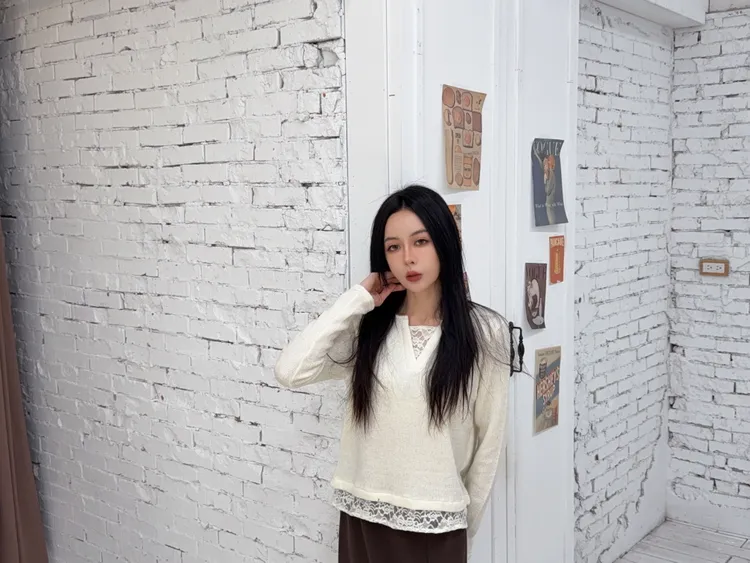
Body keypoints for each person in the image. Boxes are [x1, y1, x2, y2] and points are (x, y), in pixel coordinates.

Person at [274, 185, 511, 563]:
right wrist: (358, 298)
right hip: (361, 517)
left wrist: (463, 534)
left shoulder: (484, 332)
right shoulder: (369, 328)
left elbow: (489, 445)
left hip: (437, 528)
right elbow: (290, 370)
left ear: (444, 243)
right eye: (393, 247)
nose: (408, 258)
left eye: (420, 241)